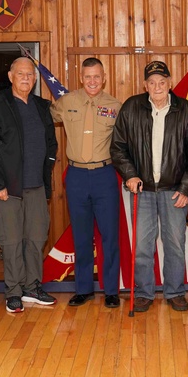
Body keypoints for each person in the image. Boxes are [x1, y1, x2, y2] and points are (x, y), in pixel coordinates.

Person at [110, 60, 188, 313]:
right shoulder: (131, 108)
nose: (157, 86)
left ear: (170, 83)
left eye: (162, 82)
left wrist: (186, 188)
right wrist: (130, 174)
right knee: (143, 246)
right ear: (145, 85)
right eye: (152, 82)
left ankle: (175, 292)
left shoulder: (186, 111)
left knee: (174, 244)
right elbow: (118, 147)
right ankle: (145, 292)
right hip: (143, 190)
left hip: (174, 191)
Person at [0, 57, 58, 314]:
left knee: (35, 239)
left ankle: (32, 287)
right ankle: (13, 291)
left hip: (36, 187)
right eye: (20, 74)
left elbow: (51, 145)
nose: (26, 78)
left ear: (34, 80)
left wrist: (47, 174)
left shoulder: (42, 106)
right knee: (11, 241)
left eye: (30, 75)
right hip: (7, 189)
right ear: (11, 76)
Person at [51, 57, 123, 308]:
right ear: (81, 78)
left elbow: (125, 142)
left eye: (97, 76)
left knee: (110, 235)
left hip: (105, 176)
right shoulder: (66, 102)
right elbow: (40, 122)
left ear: (104, 78)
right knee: (81, 235)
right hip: (77, 176)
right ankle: (83, 289)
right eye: (88, 76)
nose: (92, 81)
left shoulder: (115, 106)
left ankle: (111, 289)